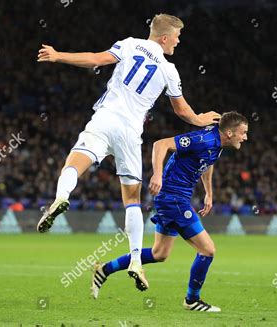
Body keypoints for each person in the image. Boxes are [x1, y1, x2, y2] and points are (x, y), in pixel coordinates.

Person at [35, 13, 221, 292]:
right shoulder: (169, 70)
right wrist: (201, 119)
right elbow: (181, 110)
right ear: (164, 37)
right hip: (131, 133)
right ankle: (135, 260)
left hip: (105, 119)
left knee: (73, 164)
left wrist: (58, 55)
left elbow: (95, 60)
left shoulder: (129, 44)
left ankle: (62, 197)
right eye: (178, 37)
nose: (179, 42)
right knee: (131, 198)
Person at [91, 112, 248, 312]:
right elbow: (160, 144)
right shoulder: (202, 139)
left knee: (159, 253)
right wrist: (158, 175)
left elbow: (207, 163)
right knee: (208, 250)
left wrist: (209, 192)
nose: (245, 137)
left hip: (174, 199)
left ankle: (104, 269)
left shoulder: (217, 144)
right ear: (229, 132)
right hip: (174, 198)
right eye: (243, 133)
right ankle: (192, 299)